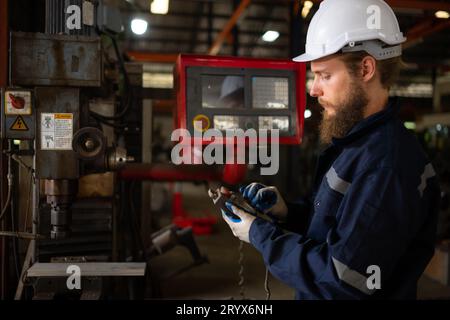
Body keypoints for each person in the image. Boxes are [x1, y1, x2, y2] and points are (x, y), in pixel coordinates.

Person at [220, 0, 441, 299]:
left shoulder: (387, 165)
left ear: (365, 68)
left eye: (324, 75)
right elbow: (337, 231)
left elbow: (343, 279)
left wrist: (260, 235)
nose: (314, 89)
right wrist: (287, 212)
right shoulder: (357, 144)